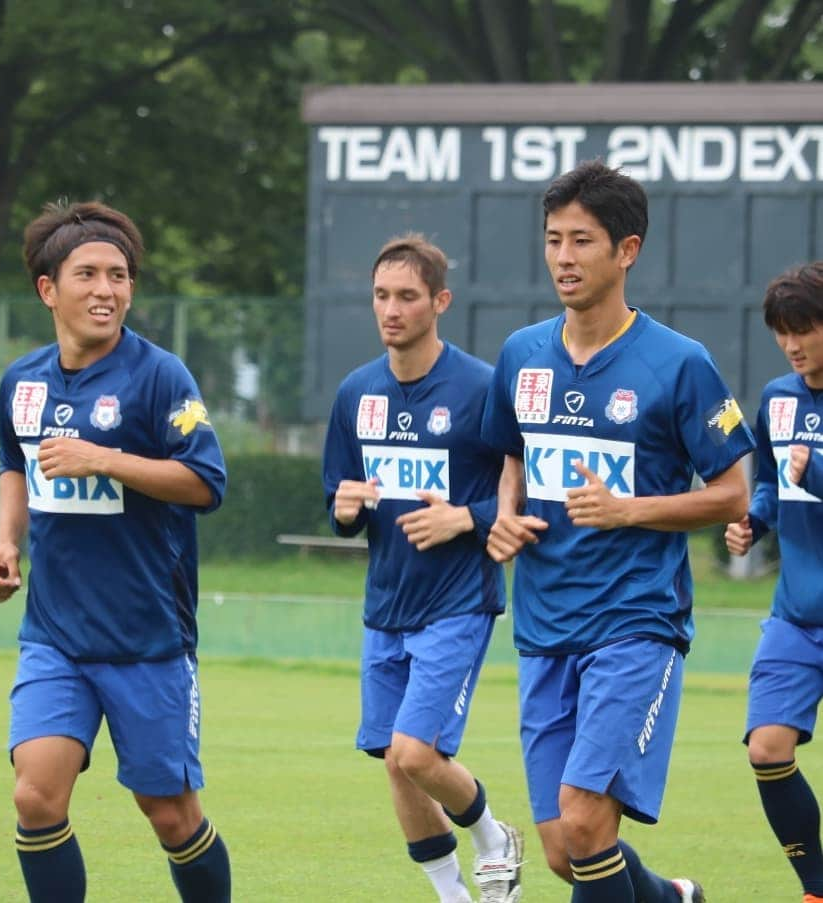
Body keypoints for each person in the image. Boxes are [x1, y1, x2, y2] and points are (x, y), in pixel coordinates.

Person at [480, 159, 755, 903]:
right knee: (564, 851)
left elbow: (734, 493)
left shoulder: (679, 364)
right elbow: (511, 451)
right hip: (543, 622)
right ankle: (672, 898)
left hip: (635, 620)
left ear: (625, 251)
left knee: (584, 821)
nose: (562, 258)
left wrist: (629, 508)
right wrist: (506, 511)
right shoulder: (521, 354)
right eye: (552, 239)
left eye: (581, 241)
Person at [0, 201, 231, 903]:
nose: (107, 289)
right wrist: (6, 542)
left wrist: (106, 458)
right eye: (87, 273)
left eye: (118, 275)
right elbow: (12, 460)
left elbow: (207, 483)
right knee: (35, 797)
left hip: (148, 638)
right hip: (54, 635)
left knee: (172, 815)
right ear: (47, 289)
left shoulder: (160, 376)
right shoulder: (21, 382)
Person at [322, 233, 522, 903]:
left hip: (457, 601)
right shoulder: (356, 393)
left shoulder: (481, 389)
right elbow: (341, 499)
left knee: (413, 751)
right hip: (384, 606)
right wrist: (346, 506)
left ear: (439, 301)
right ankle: (453, 894)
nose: (391, 309)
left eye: (407, 296)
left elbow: (522, 494)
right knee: (395, 764)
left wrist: (465, 517)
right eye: (381, 295)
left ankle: (494, 836)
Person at [725, 261, 823, 903]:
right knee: (767, 748)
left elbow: (804, 475)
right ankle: (817, 888)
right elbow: (768, 478)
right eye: (783, 332)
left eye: (805, 328)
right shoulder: (778, 397)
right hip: (797, 614)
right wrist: (754, 520)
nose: (793, 343)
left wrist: (813, 473)